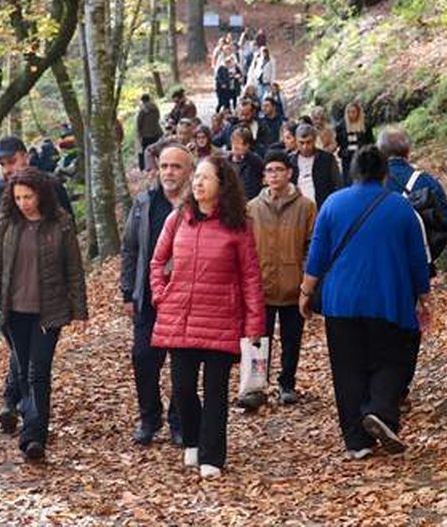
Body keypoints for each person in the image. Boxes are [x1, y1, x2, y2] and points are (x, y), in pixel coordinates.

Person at [298, 146, 431, 459]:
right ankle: (381, 411)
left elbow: (317, 255)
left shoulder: (332, 203)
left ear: (353, 172)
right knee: (393, 358)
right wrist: (425, 296)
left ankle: (357, 442)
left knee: (347, 368)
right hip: (389, 297)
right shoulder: (400, 207)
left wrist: (305, 293)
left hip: (341, 301)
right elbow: (417, 259)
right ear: (384, 173)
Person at [150, 155, 265, 478]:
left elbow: (251, 278)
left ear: (221, 185)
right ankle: (193, 441)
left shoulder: (237, 226)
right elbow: (157, 262)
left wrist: (255, 324)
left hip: (221, 319)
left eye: (206, 178)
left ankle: (212, 454)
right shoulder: (178, 219)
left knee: (215, 392)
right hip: (180, 318)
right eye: (196, 177)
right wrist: (161, 294)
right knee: (183, 388)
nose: (198, 183)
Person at [0, 168, 87, 462]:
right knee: (23, 371)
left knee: (38, 372)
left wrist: (79, 312)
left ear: (40, 194)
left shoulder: (60, 224)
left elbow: (74, 270)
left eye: (28, 196)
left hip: (48, 312)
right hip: (14, 312)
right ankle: (31, 421)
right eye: (18, 197)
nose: (24, 203)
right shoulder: (7, 224)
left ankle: (34, 436)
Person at [0, 136, 73, 435]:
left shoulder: (52, 187)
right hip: (9, 290)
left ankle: (21, 412)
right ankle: (16, 404)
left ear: (25, 157)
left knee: (31, 360)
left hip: (47, 292)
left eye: (11, 161)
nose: (7, 169)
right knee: (21, 351)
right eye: (2, 164)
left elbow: (68, 229)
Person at [121, 143, 194, 447]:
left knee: (183, 362)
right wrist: (128, 291)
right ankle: (149, 418)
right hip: (149, 296)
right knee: (143, 357)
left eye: (176, 166)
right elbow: (130, 248)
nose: (169, 172)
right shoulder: (144, 203)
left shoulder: (197, 206)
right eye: (164, 166)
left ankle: (179, 421)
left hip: (187, 299)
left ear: (189, 171)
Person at [378, 126, 447, 406]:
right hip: (413, 269)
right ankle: (400, 387)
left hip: (377, 267)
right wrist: (427, 256)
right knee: (408, 328)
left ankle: (380, 384)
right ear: (407, 152)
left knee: (380, 323)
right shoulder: (426, 182)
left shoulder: (373, 182)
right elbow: (446, 223)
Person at [247, 150, 316, 406]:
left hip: (292, 286)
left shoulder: (306, 207)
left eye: (278, 170)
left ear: (289, 172)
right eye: (269, 171)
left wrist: (306, 280)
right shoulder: (252, 208)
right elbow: (245, 247)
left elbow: (312, 245)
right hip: (261, 285)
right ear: (264, 176)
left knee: (291, 338)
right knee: (258, 339)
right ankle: (256, 386)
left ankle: (287, 383)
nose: (274, 175)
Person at [291, 123, 342, 207]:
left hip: (323, 207)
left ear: (314, 140)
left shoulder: (327, 159)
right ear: (296, 141)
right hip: (297, 210)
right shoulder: (290, 161)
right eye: (301, 143)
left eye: (308, 142)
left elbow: (337, 184)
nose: (305, 147)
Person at [335, 102, 375, 185]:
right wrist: (342, 152)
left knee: (363, 179)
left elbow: (371, 142)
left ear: (358, 112)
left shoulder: (365, 126)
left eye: (353, 112)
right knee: (348, 181)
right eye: (349, 112)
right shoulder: (341, 126)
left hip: (362, 158)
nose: (351, 114)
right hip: (347, 158)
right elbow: (337, 142)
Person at [228, 127, 264, 201]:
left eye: (239, 143)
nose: (235, 146)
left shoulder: (255, 162)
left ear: (247, 146)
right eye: (233, 142)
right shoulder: (225, 162)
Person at [137, 94, 164, 171]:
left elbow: (139, 122)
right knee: (157, 149)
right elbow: (158, 117)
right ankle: (161, 163)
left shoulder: (142, 110)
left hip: (146, 134)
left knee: (146, 151)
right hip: (156, 132)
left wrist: (139, 133)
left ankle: (146, 168)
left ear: (143, 101)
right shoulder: (155, 108)